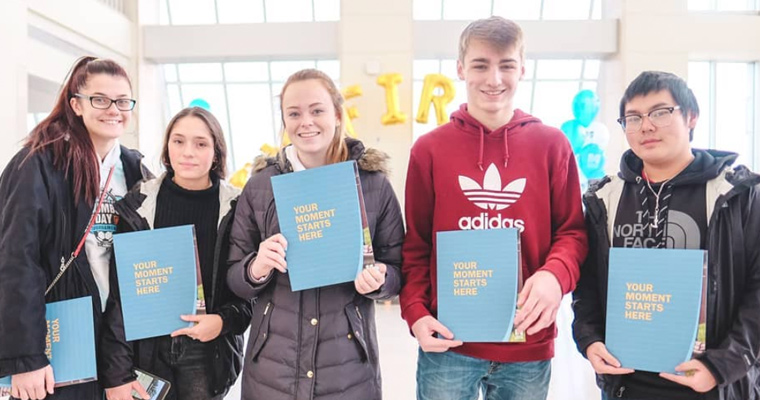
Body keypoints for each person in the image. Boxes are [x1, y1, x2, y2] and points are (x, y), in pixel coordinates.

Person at [400, 16, 588, 400]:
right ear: (460, 69)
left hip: (527, 344)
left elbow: (572, 232)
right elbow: (417, 245)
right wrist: (416, 314)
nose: (494, 79)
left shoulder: (552, 146)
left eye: (506, 65)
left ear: (523, 69)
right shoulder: (429, 150)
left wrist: (555, 275)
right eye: (481, 65)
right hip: (450, 343)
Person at [572, 70, 760, 400]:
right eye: (633, 117)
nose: (646, 126)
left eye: (661, 112)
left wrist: (722, 367)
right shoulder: (605, 199)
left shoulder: (738, 195)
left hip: (713, 385)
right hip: (626, 385)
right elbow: (587, 286)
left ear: (691, 117)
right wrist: (589, 340)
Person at [227, 68, 405, 400]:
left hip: (348, 367)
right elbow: (234, 277)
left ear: (338, 114)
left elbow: (398, 268)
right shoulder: (261, 186)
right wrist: (256, 267)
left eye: (317, 110)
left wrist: (380, 280)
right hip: (273, 369)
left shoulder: (374, 185)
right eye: (294, 113)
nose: (305, 121)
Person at [0, 56, 151, 400]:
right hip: (56, 336)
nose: (114, 109)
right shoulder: (37, 164)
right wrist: (25, 358)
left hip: (115, 339)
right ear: (76, 105)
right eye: (99, 99)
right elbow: (15, 262)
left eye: (123, 101)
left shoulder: (135, 169)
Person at [100, 107, 251, 400]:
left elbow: (249, 291)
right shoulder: (139, 205)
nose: (188, 152)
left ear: (217, 152)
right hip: (145, 352)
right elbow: (121, 296)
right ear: (167, 148)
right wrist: (117, 371)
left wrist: (221, 322)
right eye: (178, 141)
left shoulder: (236, 209)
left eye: (201, 143)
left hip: (207, 354)